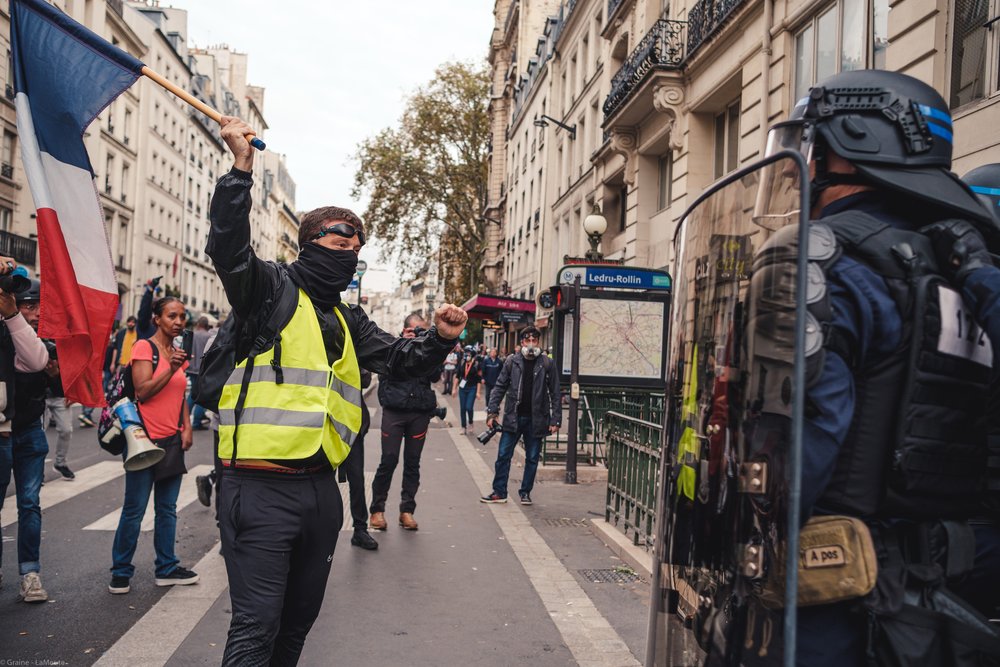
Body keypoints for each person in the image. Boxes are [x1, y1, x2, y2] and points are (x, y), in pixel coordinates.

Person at [758, 70, 1000, 665]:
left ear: (848, 145)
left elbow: (794, 460)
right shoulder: (959, 268)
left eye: (811, 148)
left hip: (832, 602)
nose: (802, 166)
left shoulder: (825, 259)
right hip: (941, 604)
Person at [209, 116, 466, 666]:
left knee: (296, 628)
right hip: (257, 488)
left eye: (357, 243)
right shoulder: (268, 290)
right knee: (256, 628)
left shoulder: (348, 318)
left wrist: (442, 337)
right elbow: (228, 251)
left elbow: (403, 361)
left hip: (320, 491)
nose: (349, 248)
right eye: (338, 237)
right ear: (308, 244)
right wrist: (240, 172)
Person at [109, 296, 198, 595]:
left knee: (167, 509)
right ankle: (120, 572)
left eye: (182, 317)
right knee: (134, 509)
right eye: (172, 316)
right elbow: (144, 391)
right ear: (157, 318)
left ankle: (166, 567)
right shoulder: (144, 347)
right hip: (143, 441)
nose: (178, 321)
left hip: (171, 439)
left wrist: (186, 425)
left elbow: (178, 394)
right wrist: (172, 368)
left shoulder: (176, 352)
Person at [0, 275, 55, 600]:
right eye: (29, 306)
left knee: (29, 504)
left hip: (29, 430)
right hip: (3, 431)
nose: (35, 313)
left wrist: (14, 318)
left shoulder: (37, 336)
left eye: (38, 306)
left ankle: (29, 573)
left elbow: (35, 360)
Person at [369, 314, 441, 532]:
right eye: (416, 330)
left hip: (419, 412)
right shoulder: (393, 346)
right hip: (395, 411)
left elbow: (436, 376)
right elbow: (383, 373)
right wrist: (403, 344)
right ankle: (377, 510)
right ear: (406, 329)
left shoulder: (428, 349)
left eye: (423, 330)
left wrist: (431, 348)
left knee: (413, 462)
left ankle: (406, 511)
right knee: (388, 460)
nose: (420, 334)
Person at [480, 327, 560, 505]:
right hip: (513, 418)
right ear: (522, 342)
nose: (531, 343)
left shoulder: (547, 363)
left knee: (532, 458)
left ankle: (525, 492)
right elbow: (499, 387)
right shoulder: (511, 361)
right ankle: (499, 492)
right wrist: (492, 412)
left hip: (536, 419)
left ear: (538, 343)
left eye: (534, 340)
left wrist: (556, 419)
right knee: (503, 456)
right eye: (527, 340)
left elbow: (555, 392)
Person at [342, 367, 377, 550]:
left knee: (356, 478)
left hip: (351, 423)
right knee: (318, 480)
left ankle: (360, 528)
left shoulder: (351, 344)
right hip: (319, 422)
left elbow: (365, 378)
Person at [42, 340, 73, 480]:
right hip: (39, 394)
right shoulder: (32, 336)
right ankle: (37, 469)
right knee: (39, 433)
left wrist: (72, 392)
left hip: (61, 394)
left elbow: (73, 368)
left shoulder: (64, 340)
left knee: (66, 430)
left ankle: (60, 463)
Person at [187, 316, 211, 430]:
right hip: (203, 369)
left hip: (191, 368)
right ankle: (196, 422)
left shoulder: (192, 334)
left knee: (193, 393)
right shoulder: (209, 336)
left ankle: (184, 420)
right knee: (202, 395)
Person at [456, 344, 482, 434]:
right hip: (462, 388)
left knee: (469, 407)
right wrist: (453, 389)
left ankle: (470, 422)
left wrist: (478, 392)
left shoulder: (476, 364)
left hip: (472, 388)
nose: (467, 355)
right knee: (462, 408)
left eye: (469, 353)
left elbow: (479, 379)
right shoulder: (462, 363)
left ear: (472, 354)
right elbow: (457, 376)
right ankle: (463, 427)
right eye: (466, 353)